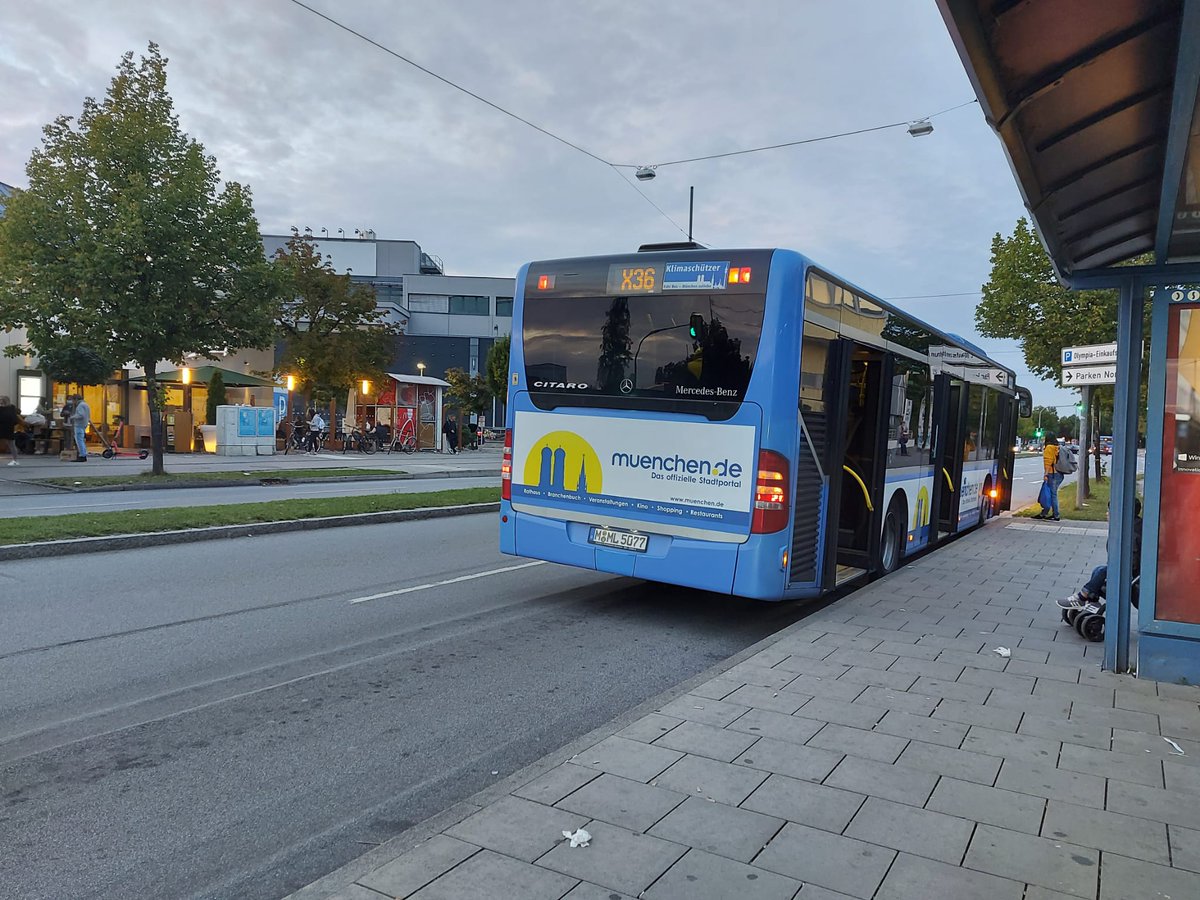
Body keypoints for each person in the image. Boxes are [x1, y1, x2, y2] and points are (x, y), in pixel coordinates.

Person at [1058, 497, 1143, 609]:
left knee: (1102, 571)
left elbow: (1132, 561)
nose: (1107, 514)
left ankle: (1083, 597)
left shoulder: (1131, 533)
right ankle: (1092, 599)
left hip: (1132, 573)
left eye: (1109, 511)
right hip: (1130, 569)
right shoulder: (1129, 527)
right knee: (1098, 570)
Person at [1034, 438, 1062, 521]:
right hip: (1059, 474)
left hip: (1052, 474)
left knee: (1052, 495)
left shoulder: (1049, 448)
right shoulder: (1057, 447)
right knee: (1052, 494)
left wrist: (1046, 474)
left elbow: (1048, 462)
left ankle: (1056, 515)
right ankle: (1045, 513)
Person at [69, 393, 91, 462]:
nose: (73, 402)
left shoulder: (80, 406)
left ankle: (82, 455)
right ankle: (83, 454)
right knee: (81, 440)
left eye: (73, 400)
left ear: (76, 399)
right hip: (84, 424)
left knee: (79, 441)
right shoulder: (86, 405)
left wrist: (72, 417)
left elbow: (80, 415)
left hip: (79, 425)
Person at [0, 395, 19, 466]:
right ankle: (15, 460)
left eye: (1, 399)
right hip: (3, 427)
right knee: (11, 444)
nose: (0, 400)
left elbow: (14, 418)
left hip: (8, 428)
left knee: (11, 444)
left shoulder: (11, 408)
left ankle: (15, 460)